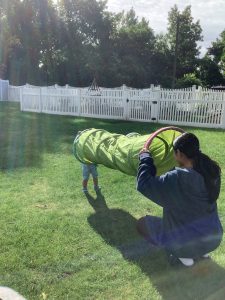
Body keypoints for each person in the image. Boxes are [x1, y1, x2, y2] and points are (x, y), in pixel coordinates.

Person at [136, 132, 223, 267]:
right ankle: (202, 253)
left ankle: (184, 259)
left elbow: (144, 184)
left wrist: (145, 158)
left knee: (142, 223)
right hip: (213, 238)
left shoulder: (177, 178)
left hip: (184, 243)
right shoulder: (212, 170)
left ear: (179, 153)